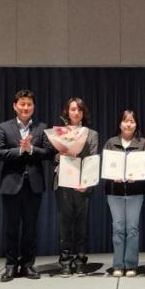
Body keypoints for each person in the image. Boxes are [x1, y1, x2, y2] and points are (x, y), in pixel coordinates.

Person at [0, 89, 54, 282]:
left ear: (33, 107)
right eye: (22, 104)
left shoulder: (42, 128)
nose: (26, 107)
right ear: (15, 106)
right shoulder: (4, 127)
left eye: (29, 104)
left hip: (33, 185)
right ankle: (10, 266)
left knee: (30, 228)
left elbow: (49, 153)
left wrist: (32, 149)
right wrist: (20, 150)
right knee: (11, 227)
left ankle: (27, 265)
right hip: (11, 184)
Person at [53, 97, 98, 277]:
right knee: (64, 225)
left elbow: (93, 159)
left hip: (82, 185)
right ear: (68, 112)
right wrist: (61, 154)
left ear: (83, 113)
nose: (76, 113)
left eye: (79, 109)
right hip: (64, 182)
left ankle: (80, 261)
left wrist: (86, 183)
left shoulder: (91, 134)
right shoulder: (60, 132)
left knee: (81, 225)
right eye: (73, 109)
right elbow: (53, 157)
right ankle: (65, 262)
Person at [103, 110, 145, 277]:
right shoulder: (111, 142)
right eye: (125, 121)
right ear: (120, 124)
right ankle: (117, 265)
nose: (128, 124)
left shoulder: (143, 143)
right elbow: (105, 165)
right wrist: (111, 175)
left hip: (136, 191)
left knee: (132, 228)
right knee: (118, 228)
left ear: (136, 124)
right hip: (114, 191)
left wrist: (138, 176)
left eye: (132, 121)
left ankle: (131, 264)